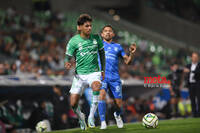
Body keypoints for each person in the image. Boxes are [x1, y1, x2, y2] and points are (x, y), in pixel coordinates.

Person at [64, 14, 105, 130]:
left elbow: (102, 54)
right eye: (86, 26)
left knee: (97, 86)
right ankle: (81, 117)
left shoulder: (96, 38)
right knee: (73, 104)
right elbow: (67, 56)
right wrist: (67, 62)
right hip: (79, 75)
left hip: (94, 72)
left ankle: (91, 117)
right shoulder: (73, 41)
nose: (89, 28)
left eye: (90, 26)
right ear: (79, 27)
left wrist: (103, 69)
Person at [98, 25, 136, 129]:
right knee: (101, 96)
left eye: (110, 31)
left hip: (115, 78)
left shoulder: (118, 47)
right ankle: (103, 122)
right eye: (105, 31)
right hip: (102, 77)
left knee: (119, 103)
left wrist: (131, 54)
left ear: (113, 34)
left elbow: (127, 61)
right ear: (102, 34)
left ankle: (117, 115)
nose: (107, 32)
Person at [184, 52, 200, 117]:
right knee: (192, 99)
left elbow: (198, 72)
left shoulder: (199, 65)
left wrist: (190, 71)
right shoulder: (188, 65)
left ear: (198, 58)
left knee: (199, 99)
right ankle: (194, 114)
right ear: (191, 58)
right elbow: (185, 72)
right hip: (190, 85)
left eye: (196, 57)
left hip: (198, 84)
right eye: (194, 57)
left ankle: (199, 114)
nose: (195, 58)